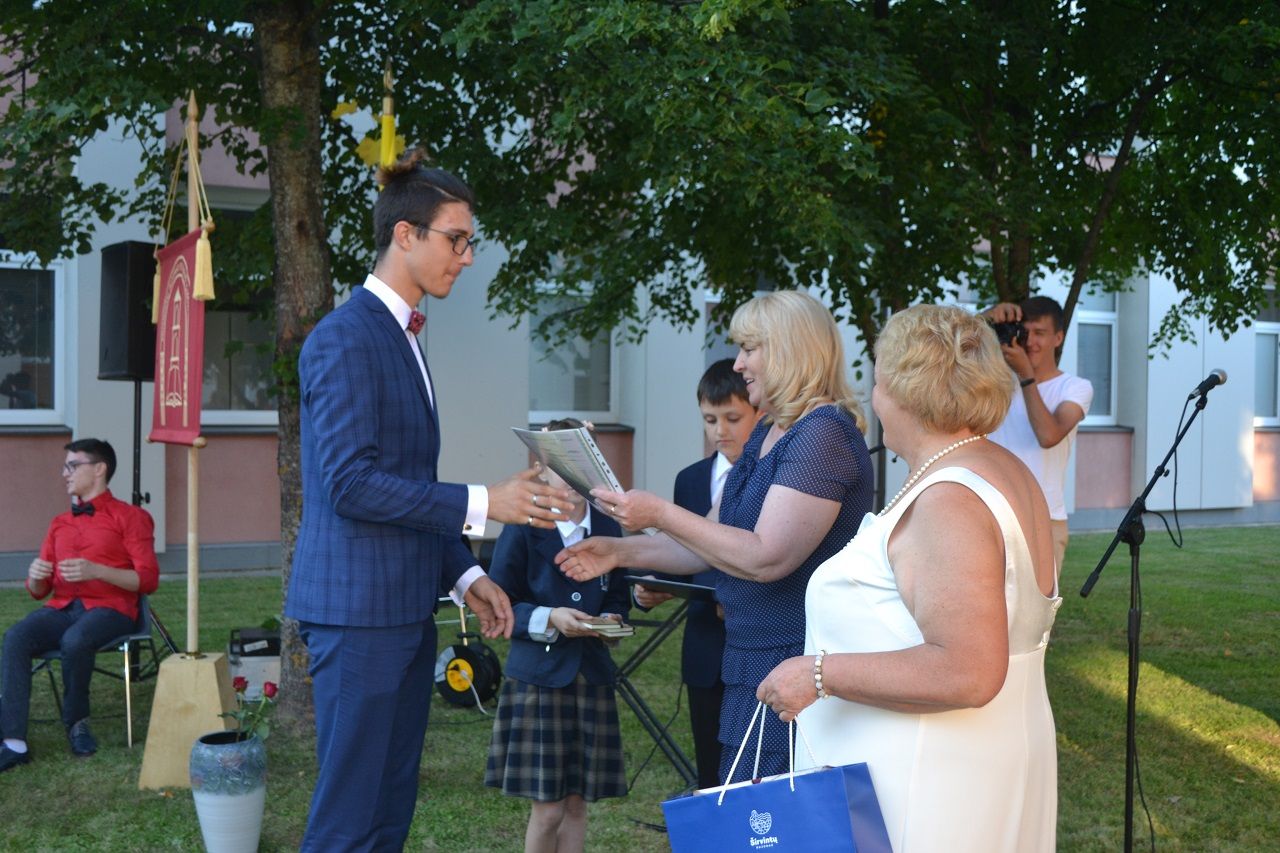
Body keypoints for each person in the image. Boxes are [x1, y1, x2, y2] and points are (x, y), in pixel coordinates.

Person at [284, 149, 574, 852]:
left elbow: (406, 483)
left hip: (402, 610)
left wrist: (467, 574)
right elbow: (351, 484)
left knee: (388, 810)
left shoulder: (403, 335)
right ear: (405, 235)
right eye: (456, 239)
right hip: (356, 615)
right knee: (349, 819)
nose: (467, 257)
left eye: (470, 241)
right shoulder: (345, 338)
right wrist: (486, 501)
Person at [757, 304, 1062, 853]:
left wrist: (818, 673)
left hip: (924, 783)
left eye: (877, 381)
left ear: (904, 391)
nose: (873, 397)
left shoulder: (950, 499)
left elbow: (967, 670)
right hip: (977, 761)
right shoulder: (1000, 467)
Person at [558, 290, 874, 784]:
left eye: (750, 348)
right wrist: (618, 551)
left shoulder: (823, 434)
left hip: (795, 658)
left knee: (773, 814)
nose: (739, 363)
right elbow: (705, 541)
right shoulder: (770, 431)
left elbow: (766, 557)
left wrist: (660, 512)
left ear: (790, 350)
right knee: (748, 807)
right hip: (752, 656)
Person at [484, 419, 631, 853]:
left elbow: (618, 596)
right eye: (557, 468)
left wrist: (611, 620)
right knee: (548, 810)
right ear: (540, 470)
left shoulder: (607, 527)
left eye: (577, 468)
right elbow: (500, 601)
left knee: (577, 804)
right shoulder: (524, 526)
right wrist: (550, 617)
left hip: (590, 675)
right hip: (539, 680)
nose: (567, 480)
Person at [632, 358, 758, 788]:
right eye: (709, 419)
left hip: (756, 645)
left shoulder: (774, 475)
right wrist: (656, 586)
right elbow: (685, 553)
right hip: (705, 647)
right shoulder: (689, 480)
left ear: (758, 410)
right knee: (709, 770)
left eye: (732, 418)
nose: (720, 430)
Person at [1, 439, 159, 772]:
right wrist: (35, 576)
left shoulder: (131, 517)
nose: (65, 474)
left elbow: (147, 580)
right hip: (63, 607)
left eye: (72, 466)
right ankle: (14, 742)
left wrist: (97, 571)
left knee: (75, 639)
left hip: (112, 609)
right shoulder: (60, 522)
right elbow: (39, 591)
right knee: (16, 636)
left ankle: (77, 724)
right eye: (65, 467)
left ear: (99, 469)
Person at [984, 296, 1093, 575]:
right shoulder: (995, 383)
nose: (1030, 341)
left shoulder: (1075, 387)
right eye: (1026, 332)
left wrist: (1026, 376)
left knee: (1038, 604)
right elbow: (952, 351)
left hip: (1044, 519)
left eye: (1040, 333)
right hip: (991, 512)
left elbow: (1048, 435)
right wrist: (986, 318)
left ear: (1058, 338)